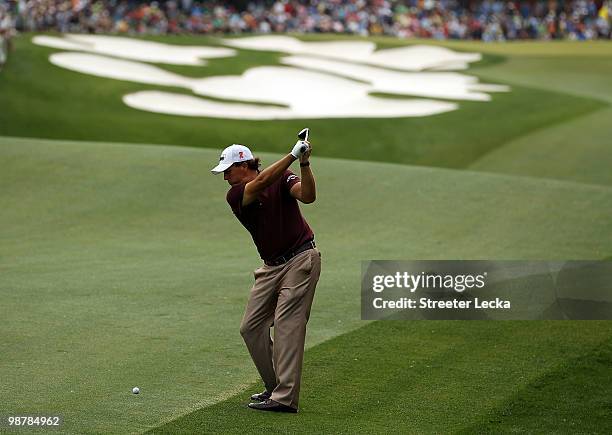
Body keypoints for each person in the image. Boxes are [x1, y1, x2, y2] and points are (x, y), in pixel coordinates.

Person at [211, 136, 321, 413]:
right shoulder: (236, 194)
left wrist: (304, 163)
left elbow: (308, 196)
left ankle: (284, 398)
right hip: (270, 267)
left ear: (244, 165)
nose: (225, 177)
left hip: (301, 260)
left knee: (286, 326)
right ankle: (274, 387)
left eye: (228, 170)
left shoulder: (283, 177)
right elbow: (260, 183)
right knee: (251, 328)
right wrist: (293, 155)